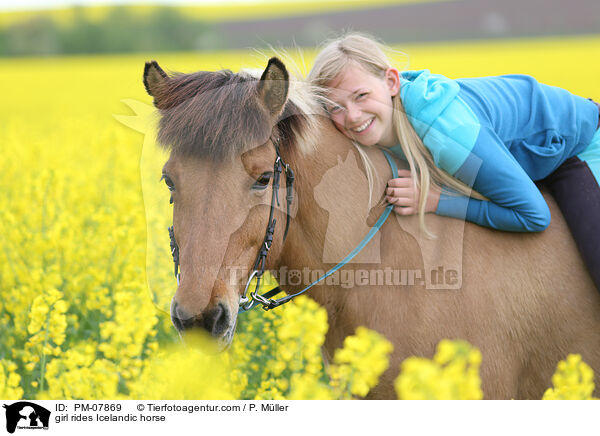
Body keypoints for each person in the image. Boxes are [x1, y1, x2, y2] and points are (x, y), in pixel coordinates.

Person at [307, 32, 600, 291]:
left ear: (392, 81)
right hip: (530, 158)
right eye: (336, 107)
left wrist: (435, 200)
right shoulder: (372, 129)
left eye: (361, 96)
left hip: (580, 144)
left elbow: (533, 216)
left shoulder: (447, 136)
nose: (353, 116)